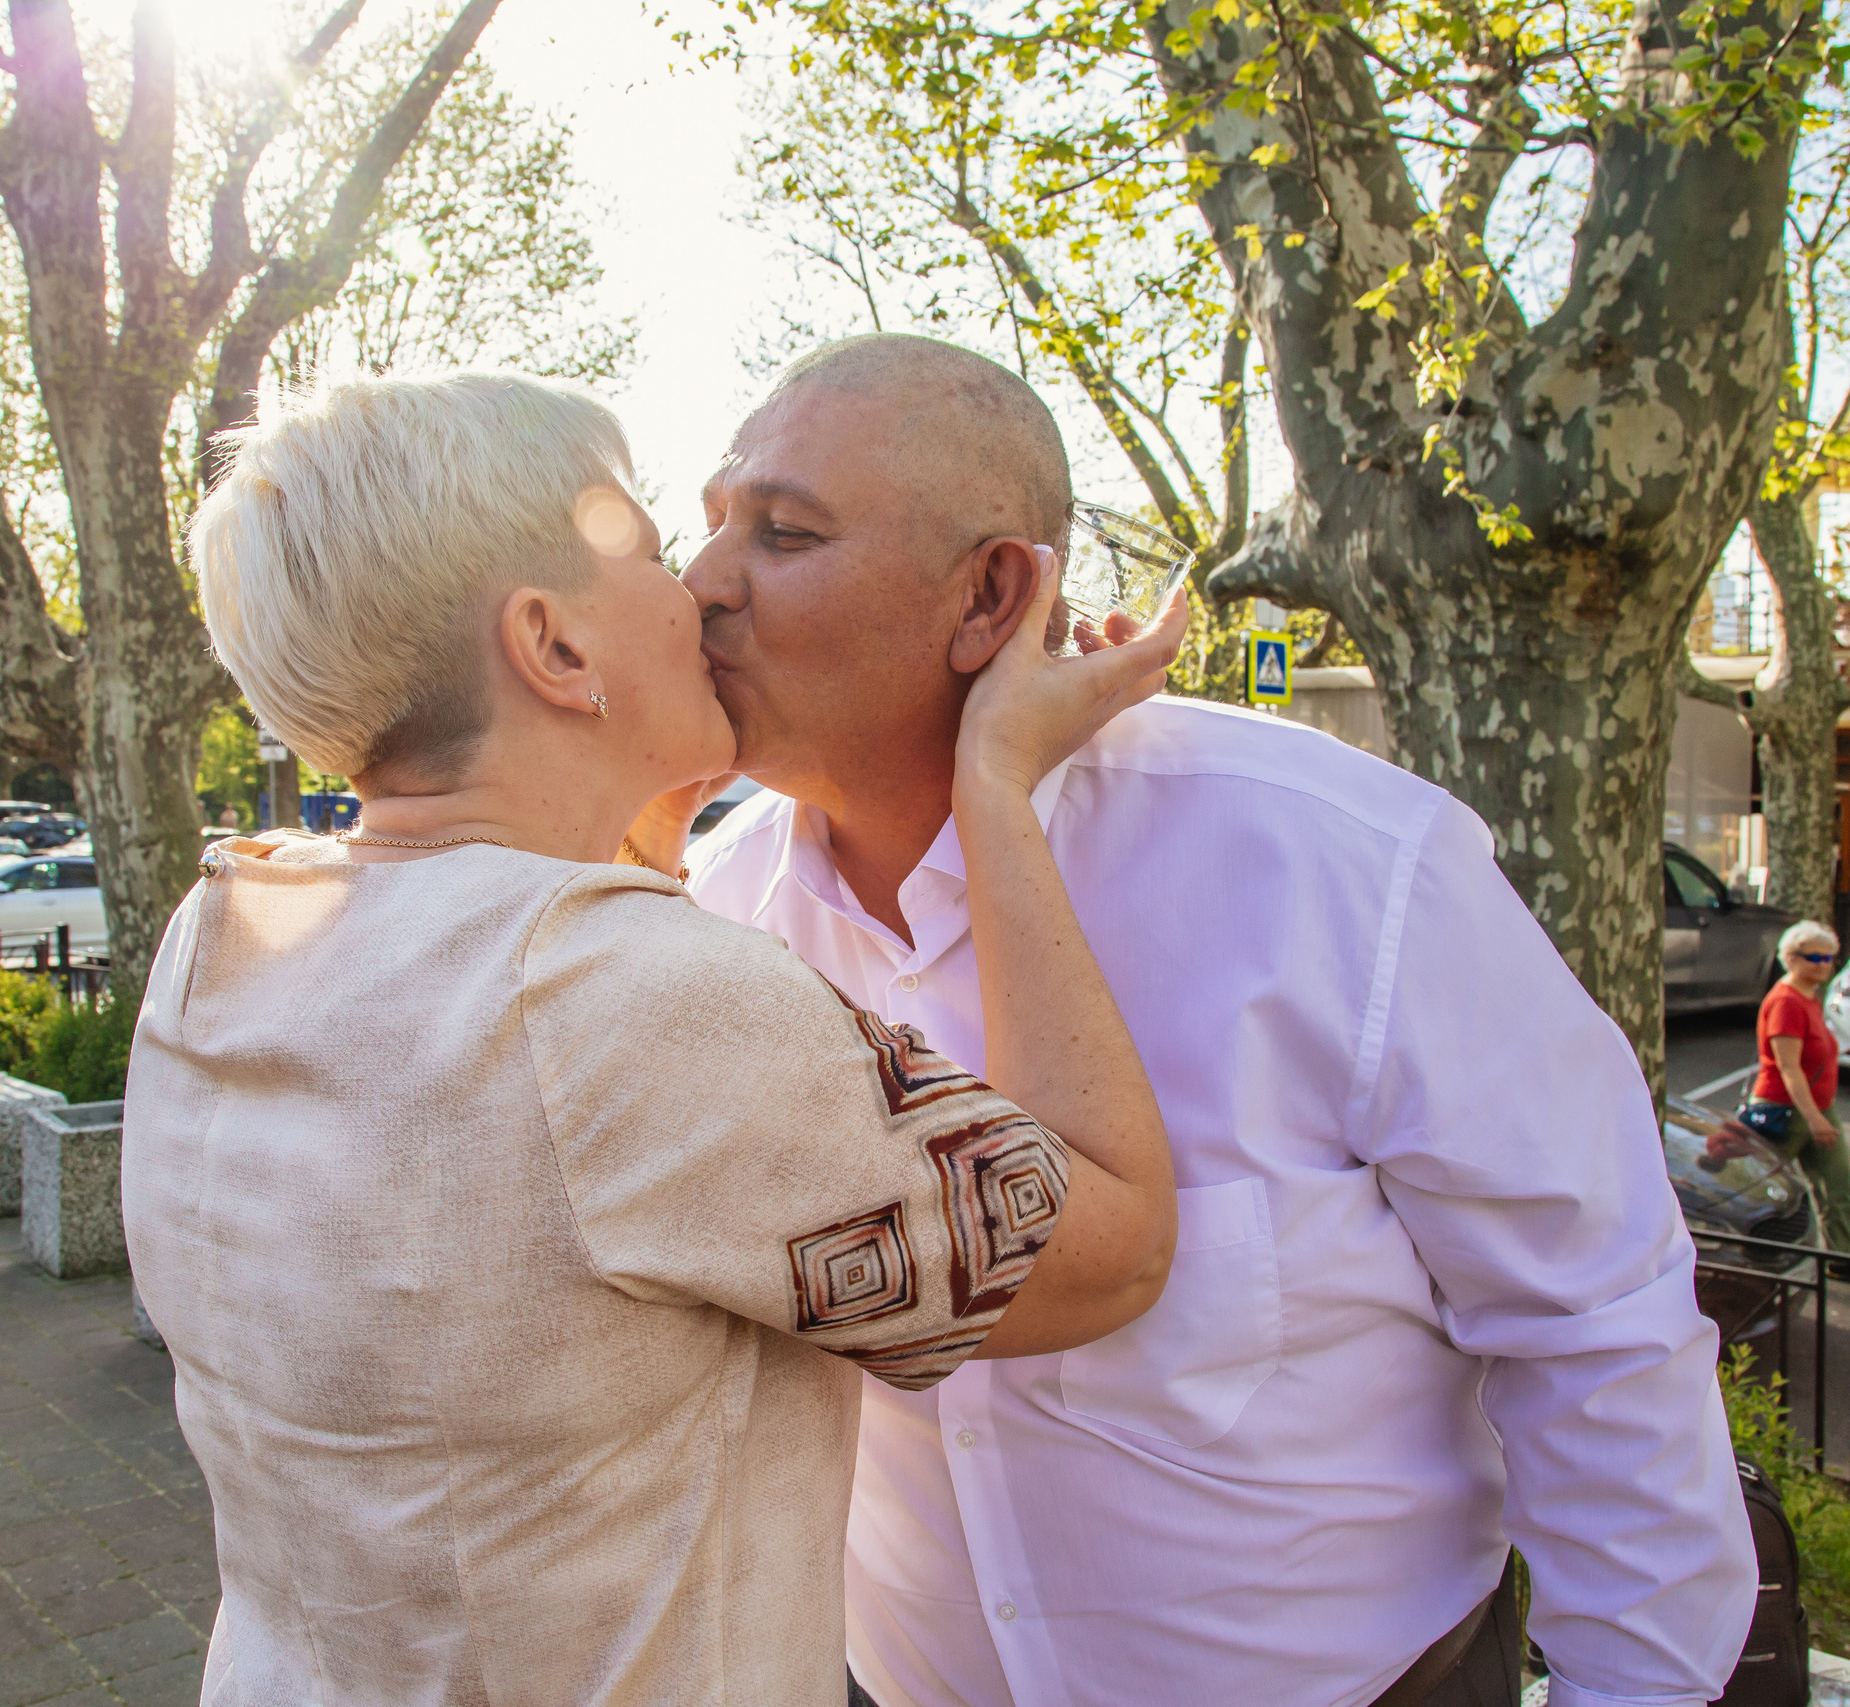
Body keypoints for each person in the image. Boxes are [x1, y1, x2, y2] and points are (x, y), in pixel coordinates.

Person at [677, 334, 1757, 1707]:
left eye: (782, 533)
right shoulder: (714, 908)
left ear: (989, 595)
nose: (703, 582)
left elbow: (1591, 1322)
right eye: (711, 523)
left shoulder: (1331, 862)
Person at [125, 371, 1186, 1705]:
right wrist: (998, 790)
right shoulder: (640, 1001)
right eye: (640, 545)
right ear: (555, 647)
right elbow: (1111, 1248)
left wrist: (631, 808)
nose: (699, 586)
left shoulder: (226, 933)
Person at [1743, 919, 1850, 1256]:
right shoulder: (1786, 1002)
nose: (1823, 965)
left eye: (1829, 958)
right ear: (1790, 959)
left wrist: (1820, 1114)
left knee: (1836, 1188)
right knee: (1762, 1188)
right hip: (1785, 1111)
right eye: (1814, 958)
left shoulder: (1810, 997)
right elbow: (1788, 1067)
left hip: (1817, 1108)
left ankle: (1841, 1259)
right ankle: (1749, 1256)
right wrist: (1814, 1118)